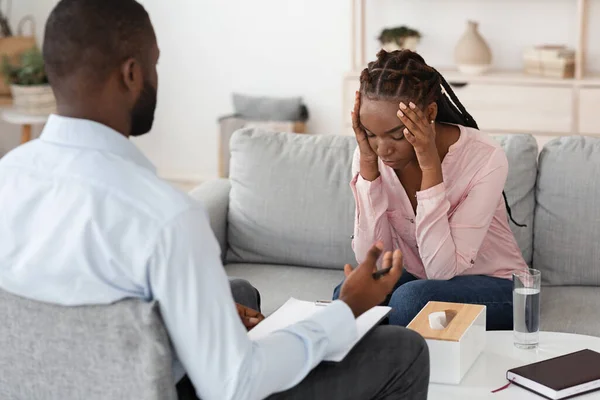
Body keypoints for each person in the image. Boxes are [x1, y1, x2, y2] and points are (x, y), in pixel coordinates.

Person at [0, 1, 430, 399]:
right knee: (403, 351)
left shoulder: (8, 177)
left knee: (235, 292)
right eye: (154, 65)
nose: (155, 78)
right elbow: (235, 385)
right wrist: (345, 309)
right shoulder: (162, 218)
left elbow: (81, 322)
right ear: (131, 74)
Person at [333, 50, 529, 331]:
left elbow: (441, 271)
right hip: (421, 280)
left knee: (411, 301)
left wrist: (430, 168)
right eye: (371, 134)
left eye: (397, 135)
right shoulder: (371, 157)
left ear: (430, 113)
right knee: (347, 297)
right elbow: (371, 261)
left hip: (500, 288)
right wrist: (367, 167)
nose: (383, 148)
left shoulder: (485, 157)